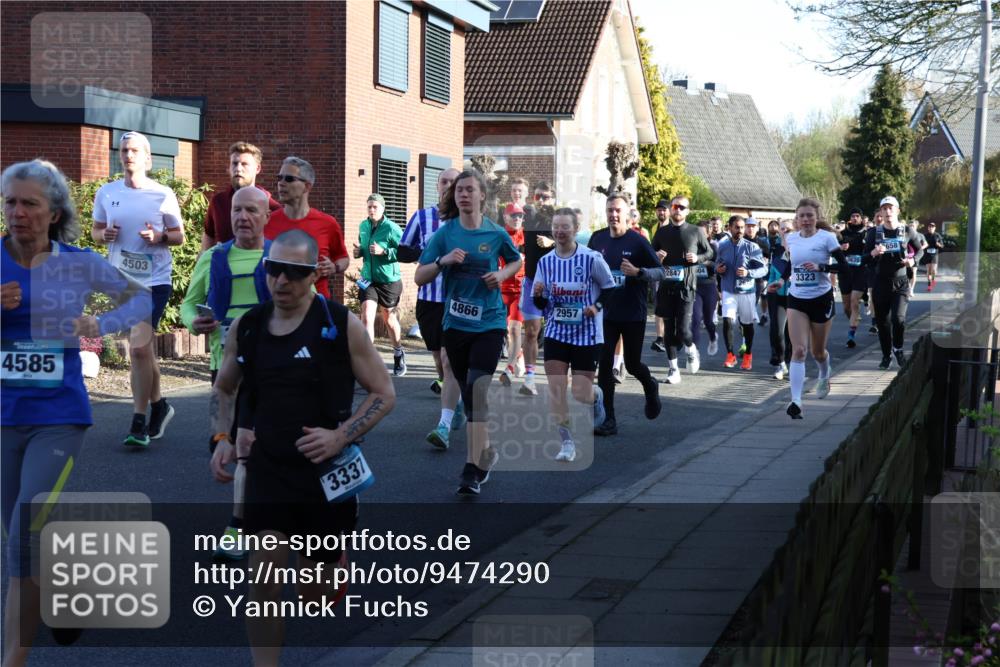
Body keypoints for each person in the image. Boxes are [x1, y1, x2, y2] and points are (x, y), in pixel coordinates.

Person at [210, 230, 394, 666]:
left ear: (313, 275)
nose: (281, 281)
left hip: (325, 473)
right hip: (269, 468)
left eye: (294, 273)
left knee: (315, 595)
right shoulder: (249, 326)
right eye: (273, 269)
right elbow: (225, 389)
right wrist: (222, 439)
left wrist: (341, 435)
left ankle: (334, 569)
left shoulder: (339, 324)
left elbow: (384, 394)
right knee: (264, 581)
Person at [2, 159, 150, 665]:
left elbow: (139, 303)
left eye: (29, 204)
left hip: (60, 415)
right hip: (2, 415)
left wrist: (96, 323)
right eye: (10, 203)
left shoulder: (78, 262)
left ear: (53, 211)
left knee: (22, 534)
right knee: (23, 549)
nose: (18, 213)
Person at [416, 170, 522, 495]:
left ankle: (471, 469)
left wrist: (501, 275)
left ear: (481, 196)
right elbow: (420, 276)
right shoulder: (446, 234)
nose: (463, 195)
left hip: (489, 324)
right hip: (455, 326)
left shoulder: (494, 232)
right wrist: (443, 261)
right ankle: (486, 453)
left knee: (477, 391)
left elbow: (516, 261)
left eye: (469, 190)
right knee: (469, 394)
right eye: (459, 190)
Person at [182, 186, 273, 561]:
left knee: (273, 445)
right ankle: (239, 525)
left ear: (267, 216)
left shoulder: (278, 257)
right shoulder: (214, 256)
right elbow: (188, 306)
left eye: (251, 210)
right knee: (243, 444)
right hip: (227, 365)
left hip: (276, 365)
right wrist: (196, 323)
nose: (242, 217)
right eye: (237, 210)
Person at [92, 131, 185, 447]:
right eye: (123, 150)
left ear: (147, 158)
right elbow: (95, 231)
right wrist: (105, 234)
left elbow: (178, 236)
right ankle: (160, 406)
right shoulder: (106, 192)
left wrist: (158, 237)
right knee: (143, 350)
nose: (128, 155)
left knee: (138, 347)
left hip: (155, 280)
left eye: (134, 150)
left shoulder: (162, 194)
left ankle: (138, 422)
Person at [531, 208, 615, 462]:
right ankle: (567, 443)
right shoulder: (545, 262)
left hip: (587, 334)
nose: (559, 231)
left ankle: (596, 396)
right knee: (556, 390)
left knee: (580, 392)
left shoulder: (591, 259)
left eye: (565, 227)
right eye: (556, 227)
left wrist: (595, 307)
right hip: (557, 331)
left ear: (575, 230)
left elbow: (610, 289)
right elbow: (539, 305)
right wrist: (538, 295)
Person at [397, 167, 467, 449]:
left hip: (457, 299)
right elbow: (403, 251)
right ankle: (453, 393)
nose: (449, 187)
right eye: (445, 182)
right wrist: (430, 254)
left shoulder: (468, 220)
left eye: (454, 182)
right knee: (438, 358)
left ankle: (444, 423)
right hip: (429, 298)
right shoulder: (422, 217)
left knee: (450, 360)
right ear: (437, 187)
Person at [588, 193, 666, 436]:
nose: (613, 215)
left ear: (627, 213)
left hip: (633, 313)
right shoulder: (597, 239)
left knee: (632, 364)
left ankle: (650, 385)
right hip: (606, 313)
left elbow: (661, 272)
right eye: (610, 210)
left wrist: (638, 272)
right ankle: (608, 419)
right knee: (605, 366)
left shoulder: (638, 241)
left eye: (617, 211)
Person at [782, 197, 847, 418]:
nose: (806, 219)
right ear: (797, 219)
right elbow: (790, 265)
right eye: (802, 216)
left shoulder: (827, 238)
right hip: (797, 297)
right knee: (798, 350)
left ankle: (823, 373)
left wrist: (822, 267)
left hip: (821, 298)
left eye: (810, 215)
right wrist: (781, 281)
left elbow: (843, 267)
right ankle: (796, 401)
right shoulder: (791, 239)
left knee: (817, 352)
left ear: (816, 217)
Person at [264, 156, 349, 299]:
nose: (281, 183)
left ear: (307, 186)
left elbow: (343, 258)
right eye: (280, 178)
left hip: (315, 306)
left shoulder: (328, 223)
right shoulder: (267, 221)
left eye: (289, 179)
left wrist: (334, 267)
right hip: (276, 305)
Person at [651, 195, 713, 384]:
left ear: (687, 211)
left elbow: (710, 252)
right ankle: (673, 369)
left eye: (682, 207)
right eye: (675, 206)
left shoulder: (695, 231)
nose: (677, 210)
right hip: (667, 286)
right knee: (669, 330)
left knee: (684, 330)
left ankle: (691, 349)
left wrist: (697, 259)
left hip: (686, 287)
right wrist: (657, 258)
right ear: (670, 209)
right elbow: (651, 255)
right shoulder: (662, 233)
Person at [864, 196, 924, 370]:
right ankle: (886, 355)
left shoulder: (907, 231)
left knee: (898, 319)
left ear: (897, 211)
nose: (888, 211)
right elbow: (864, 258)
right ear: (880, 212)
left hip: (901, 282)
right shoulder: (873, 233)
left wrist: (912, 262)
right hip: (880, 282)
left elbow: (919, 251)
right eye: (884, 208)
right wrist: (874, 253)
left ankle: (897, 348)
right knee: (883, 323)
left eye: (891, 208)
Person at [353, 193, 405, 375]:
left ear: (383, 209)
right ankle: (368, 361)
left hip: (388, 281)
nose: (372, 210)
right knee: (366, 317)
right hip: (369, 280)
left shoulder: (391, 228)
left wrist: (385, 251)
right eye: (369, 206)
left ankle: (398, 352)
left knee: (389, 320)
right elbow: (362, 247)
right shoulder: (363, 225)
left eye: (375, 206)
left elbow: (405, 252)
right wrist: (359, 252)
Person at [200, 141, 280, 251]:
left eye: (244, 164)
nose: (238, 168)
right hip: (222, 266)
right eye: (234, 163)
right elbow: (207, 241)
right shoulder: (218, 202)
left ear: (257, 168)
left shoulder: (272, 207)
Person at [517, 181, 556, 396]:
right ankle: (530, 378)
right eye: (538, 196)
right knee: (531, 331)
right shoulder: (528, 216)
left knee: (555, 334)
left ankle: (557, 379)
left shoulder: (558, 218)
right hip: (532, 281)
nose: (541, 200)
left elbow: (573, 242)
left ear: (553, 199)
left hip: (556, 285)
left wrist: (551, 243)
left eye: (546, 197)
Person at [715, 215, 767, 370]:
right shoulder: (723, 246)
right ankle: (730, 355)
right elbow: (717, 263)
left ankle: (748, 355)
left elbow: (763, 269)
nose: (740, 230)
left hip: (746, 291)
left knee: (746, 324)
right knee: (728, 321)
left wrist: (748, 272)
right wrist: (718, 269)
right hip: (728, 290)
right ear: (729, 228)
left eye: (742, 227)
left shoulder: (752, 247)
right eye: (737, 227)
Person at [499, 202, 526, 386]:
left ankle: (508, 369)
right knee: (505, 330)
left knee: (515, 328)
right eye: (513, 215)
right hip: (501, 289)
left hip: (521, 290)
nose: (517, 219)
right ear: (505, 217)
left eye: (520, 216)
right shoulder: (499, 236)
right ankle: (520, 354)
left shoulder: (527, 236)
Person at [766, 220, 794, 380]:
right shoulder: (776, 250)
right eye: (782, 229)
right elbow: (771, 272)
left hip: (794, 297)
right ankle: (780, 363)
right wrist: (769, 285)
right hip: (776, 295)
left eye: (788, 229)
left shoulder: (799, 250)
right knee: (777, 330)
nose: (784, 231)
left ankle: (791, 361)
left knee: (792, 332)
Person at [838, 207, 869, 348]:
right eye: (853, 215)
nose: (855, 218)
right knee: (846, 307)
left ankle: (851, 335)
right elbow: (833, 252)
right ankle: (854, 319)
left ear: (862, 218)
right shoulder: (842, 234)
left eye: (858, 215)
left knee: (854, 301)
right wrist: (840, 248)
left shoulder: (867, 234)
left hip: (860, 272)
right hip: (845, 273)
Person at [691, 220, 720, 356]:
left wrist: (705, 262)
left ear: (708, 233)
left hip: (709, 286)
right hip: (695, 286)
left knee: (708, 320)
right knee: (696, 319)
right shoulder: (691, 247)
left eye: (702, 232)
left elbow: (718, 266)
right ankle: (695, 351)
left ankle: (713, 338)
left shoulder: (713, 247)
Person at [650, 198, 670, 353]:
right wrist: (655, 254)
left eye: (663, 209)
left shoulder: (674, 227)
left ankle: (672, 335)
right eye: (659, 210)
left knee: (672, 304)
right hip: (658, 270)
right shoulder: (654, 228)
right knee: (658, 304)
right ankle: (660, 338)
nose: (661, 212)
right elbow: (651, 249)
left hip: (672, 271)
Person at [922, 221, 943, 290]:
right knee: (928, 270)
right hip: (927, 254)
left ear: (935, 228)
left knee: (933, 270)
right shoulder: (925, 236)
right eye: (930, 226)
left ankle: (933, 280)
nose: (931, 228)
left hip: (934, 254)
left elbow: (942, 246)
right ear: (928, 228)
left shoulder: (937, 235)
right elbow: (921, 244)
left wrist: (938, 245)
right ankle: (929, 284)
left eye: (932, 227)